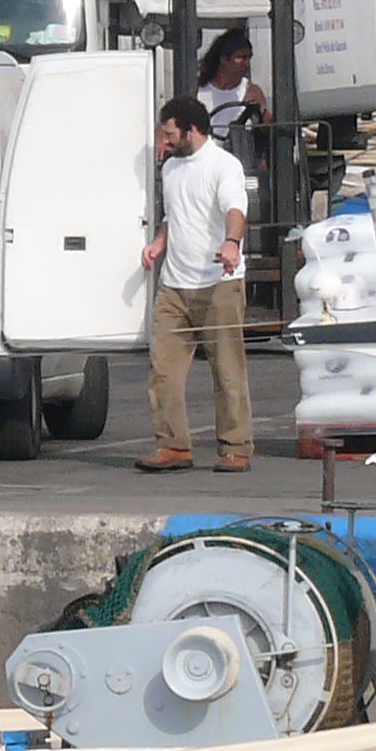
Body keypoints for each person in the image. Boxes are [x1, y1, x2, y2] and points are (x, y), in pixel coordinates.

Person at [140, 94, 250, 474]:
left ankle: (236, 447)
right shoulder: (171, 169)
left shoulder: (224, 166)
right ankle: (173, 446)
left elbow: (235, 210)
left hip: (218, 283)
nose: (165, 141)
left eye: (170, 134)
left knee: (228, 371)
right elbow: (173, 215)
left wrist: (231, 243)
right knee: (163, 371)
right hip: (174, 284)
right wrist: (159, 242)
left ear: (192, 130)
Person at [199, 29, 272, 171]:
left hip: (239, 159)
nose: (246, 63)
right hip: (205, 160)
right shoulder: (199, 90)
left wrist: (262, 114)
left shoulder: (252, 91)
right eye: (241, 57)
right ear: (224, 59)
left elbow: (267, 129)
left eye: (249, 58)